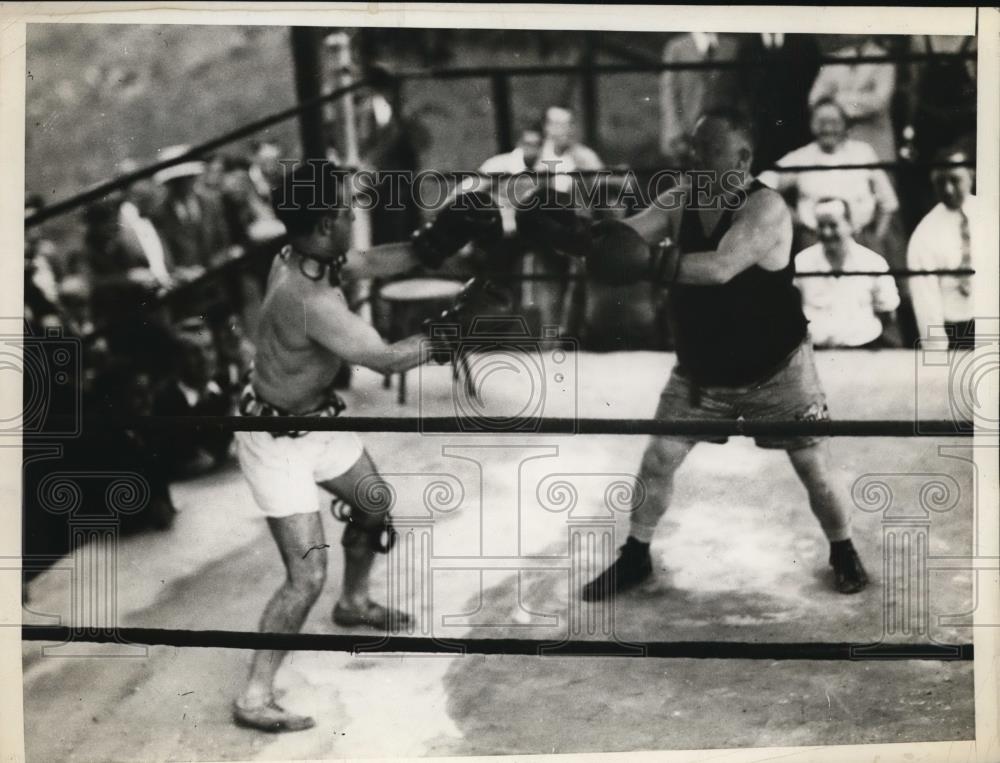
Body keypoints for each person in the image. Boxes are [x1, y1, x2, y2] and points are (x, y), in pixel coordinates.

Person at [518, 110, 869, 599]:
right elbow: (632, 235)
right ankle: (636, 556)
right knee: (657, 460)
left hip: (776, 371)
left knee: (814, 469)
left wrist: (640, 262)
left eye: (708, 150)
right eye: (694, 148)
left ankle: (843, 549)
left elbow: (721, 267)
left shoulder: (765, 209)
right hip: (702, 369)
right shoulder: (683, 195)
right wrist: (581, 235)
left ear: (743, 157)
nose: (695, 158)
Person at [231, 159, 507, 732]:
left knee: (374, 502)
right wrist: (452, 329)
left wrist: (435, 241)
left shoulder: (303, 256)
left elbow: (373, 261)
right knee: (305, 576)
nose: (356, 214)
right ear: (328, 219)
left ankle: (353, 604)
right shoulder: (308, 299)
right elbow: (382, 356)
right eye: (347, 207)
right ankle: (254, 696)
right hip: (275, 439)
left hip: (315, 422)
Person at [760, 98, 899, 257]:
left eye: (833, 122)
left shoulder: (863, 152)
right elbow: (763, 184)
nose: (827, 128)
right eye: (821, 122)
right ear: (811, 125)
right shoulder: (801, 157)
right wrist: (791, 215)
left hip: (860, 240)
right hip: (815, 243)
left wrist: (876, 239)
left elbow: (889, 203)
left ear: (845, 124)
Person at [794, 197, 901, 349]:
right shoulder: (801, 262)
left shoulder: (873, 262)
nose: (826, 232)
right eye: (821, 225)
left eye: (833, 225)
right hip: (816, 352)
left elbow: (888, 312)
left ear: (850, 225)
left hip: (864, 350)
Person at [907, 146, 980, 351]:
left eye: (955, 180)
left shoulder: (991, 214)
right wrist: (937, 350)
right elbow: (925, 300)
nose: (948, 189)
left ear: (971, 175)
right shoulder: (925, 234)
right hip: (958, 332)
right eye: (940, 182)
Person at [738, 33, 821, 172]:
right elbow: (743, 90)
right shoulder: (747, 46)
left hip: (797, 133)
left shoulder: (805, 43)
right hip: (760, 138)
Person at [809, 35, 897, 163]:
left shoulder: (884, 60)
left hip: (875, 143)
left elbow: (879, 102)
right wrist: (859, 98)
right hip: (840, 147)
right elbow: (814, 98)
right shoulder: (836, 59)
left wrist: (837, 100)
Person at [659, 32, 744, 165]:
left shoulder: (732, 47)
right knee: (686, 183)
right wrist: (676, 133)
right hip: (685, 136)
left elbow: (739, 94)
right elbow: (669, 93)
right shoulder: (677, 48)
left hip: (720, 136)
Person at [152, 144, 234, 277]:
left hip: (219, 278)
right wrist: (183, 273)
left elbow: (224, 243)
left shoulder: (211, 202)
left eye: (188, 177)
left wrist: (213, 266)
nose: (184, 184)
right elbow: (164, 258)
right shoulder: (160, 214)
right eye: (177, 181)